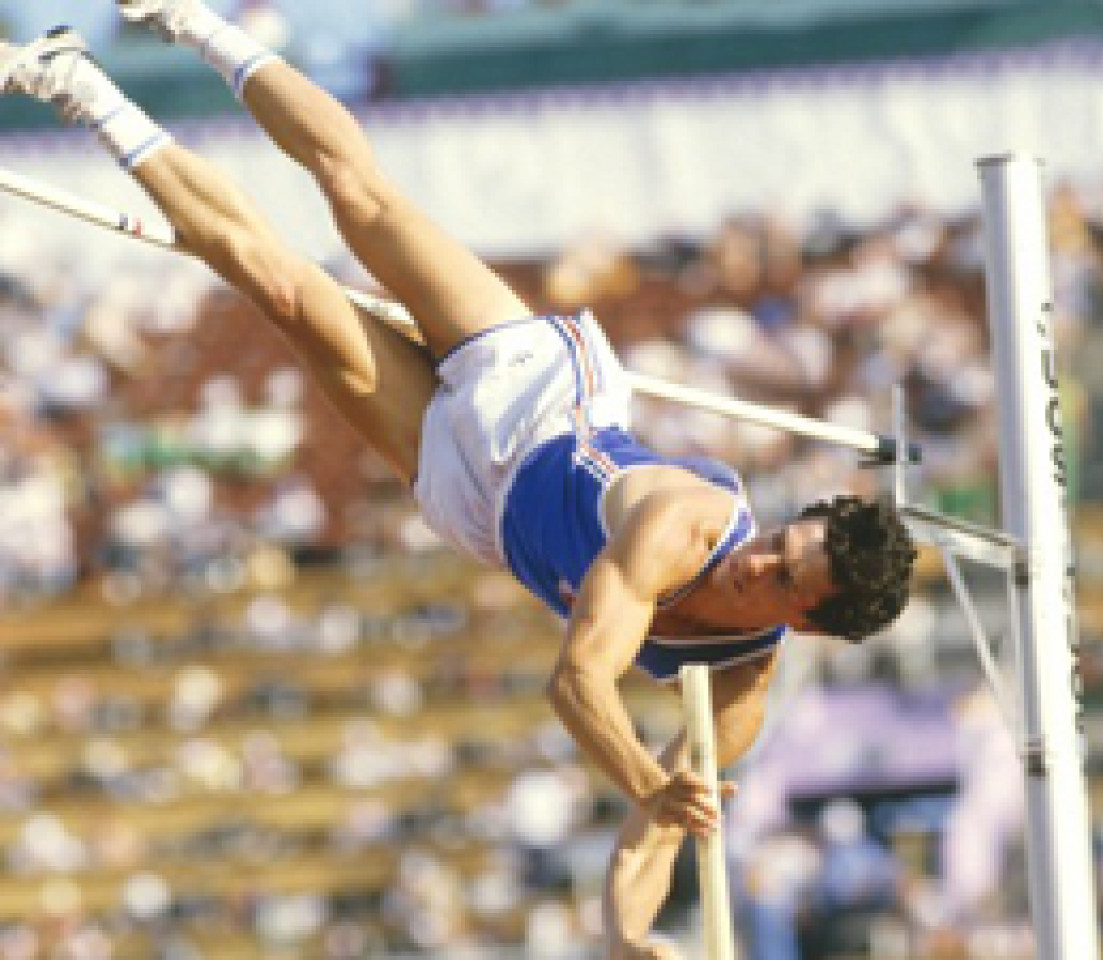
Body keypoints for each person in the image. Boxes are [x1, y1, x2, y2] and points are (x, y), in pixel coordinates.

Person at [1, 6, 916, 956]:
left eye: (781, 580)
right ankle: (198, 25)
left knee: (275, 286)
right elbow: (577, 683)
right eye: (780, 541)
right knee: (356, 195)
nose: (756, 561)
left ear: (804, 623)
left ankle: (80, 86)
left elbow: (659, 828)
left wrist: (629, 935)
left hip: (478, 506)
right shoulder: (688, 526)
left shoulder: (740, 686)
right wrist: (648, 779)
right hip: (533, 401)